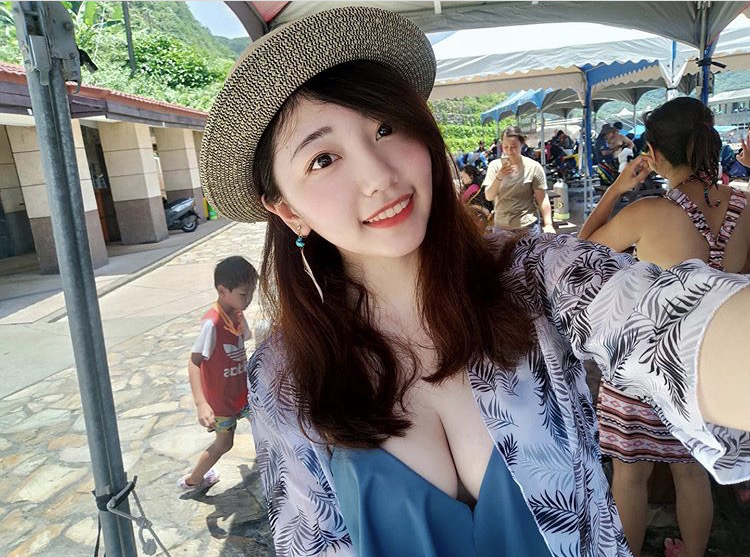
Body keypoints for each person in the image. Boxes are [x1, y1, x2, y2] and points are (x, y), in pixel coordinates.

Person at [200, 7, 750, 557]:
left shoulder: (537, 277)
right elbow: (311, 540)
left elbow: (667, 319)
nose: (379, 176)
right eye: (323, 159)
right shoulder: (284, 377)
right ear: (288, 210)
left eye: (385, 128)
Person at [579, 97, 750, 557]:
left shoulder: (650, 212)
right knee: (692, 473)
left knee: (629, 474)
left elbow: (582, 251)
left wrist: (617, 188)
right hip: (706, 368)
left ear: (653, 154)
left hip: (645, 364)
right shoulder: (744, 205)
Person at [177, 256, 258, 491]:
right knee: (224, 444)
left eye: (251, 293)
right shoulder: (212, 324)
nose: (249, 299)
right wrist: (201, 404)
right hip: (221, 401)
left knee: (266, 426)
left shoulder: (237, 313)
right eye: (244, 294)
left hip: (242, 393)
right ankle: (193, 479)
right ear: (222, 291)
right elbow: (194, 362)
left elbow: (245, 338)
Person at [483, 126, 555, 234]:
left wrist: (548, 224)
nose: (509, 151)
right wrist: (499, 177)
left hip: (528, 227)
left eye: (514, 146)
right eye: (505, 147)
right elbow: (489, 196)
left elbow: (542, 198)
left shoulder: (533, 167)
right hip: (502, 227)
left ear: (522, 144)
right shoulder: (494, 166)